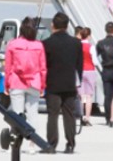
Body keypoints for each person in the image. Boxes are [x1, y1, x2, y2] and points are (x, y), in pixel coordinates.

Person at [4, 17, 46, 152]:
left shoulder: (12, 44)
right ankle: (32, 145)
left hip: (17, 81)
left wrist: (6, 85)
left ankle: (15, 144)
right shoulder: (39, 45)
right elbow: (43, 67)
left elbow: (8, 67)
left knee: (17, 115)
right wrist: (42, 86)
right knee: (33, 114)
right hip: (34, 82)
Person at [42, 13, 82, 154]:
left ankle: (51, 144)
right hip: (70, 84)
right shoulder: (76, 43)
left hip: (53, 84)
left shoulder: (46, 43)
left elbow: (44, 66)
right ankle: (70, 144)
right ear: (67, 26)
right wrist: (78, 84)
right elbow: (80, 66)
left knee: (53, 114)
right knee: (69, 114)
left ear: (53, 25)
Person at [95, 22, 113, 126]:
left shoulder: (100, 43)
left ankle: (108, 117)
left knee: (107, 95)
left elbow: (95, 57)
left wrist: (100, 67)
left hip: (106, 69)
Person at [77, 27, 101, 127]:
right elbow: (95, 61)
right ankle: (87, 117)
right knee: (89, 96)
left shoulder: (77, 45)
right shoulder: (91, 47)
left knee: (81, 96)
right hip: (90, 70)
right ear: (89, 36)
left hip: (80, 70)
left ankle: (81, 116)